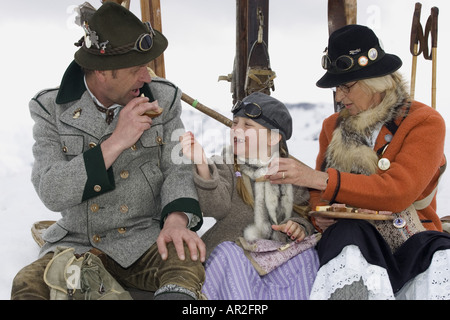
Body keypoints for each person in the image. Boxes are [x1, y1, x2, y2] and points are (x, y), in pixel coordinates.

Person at [11, 2, 205, 300]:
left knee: (186, 261)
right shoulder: (50, 109)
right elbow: (52, 190)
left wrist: (176, 220)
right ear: (102, 72)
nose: (147, 77)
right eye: (137, 68)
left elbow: (176, 169)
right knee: (29, 284)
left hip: (144, 238)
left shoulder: (164, 98)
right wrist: (115, 141)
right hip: (77, 244)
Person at [266, 24, 450, 300]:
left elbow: (397, 191)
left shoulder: (424, 122)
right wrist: (321, 216)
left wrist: (320, 179)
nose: (339, 97)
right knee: (348, 240)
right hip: (354, 236)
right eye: (337, 88)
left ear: (374, 81)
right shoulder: (332, 127)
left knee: (441, 258)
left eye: (346, 86)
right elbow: (319, 199)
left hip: (412, 239)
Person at [180, 92, 320, 300]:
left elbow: (302, 214)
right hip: (235, 257)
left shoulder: (290, 173)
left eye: (248, 125)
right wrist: (202, 164)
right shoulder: (225, 164)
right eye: (235, 123)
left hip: (274, 259)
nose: (236, 129)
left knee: (306, 256)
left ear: (273, 137)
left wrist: (297, 226)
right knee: (229, 253)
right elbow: (215, 207)